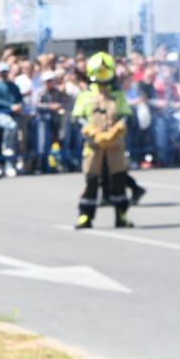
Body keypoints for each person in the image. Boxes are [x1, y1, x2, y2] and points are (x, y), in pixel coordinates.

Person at [73, 50, 134, 229]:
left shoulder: (118, 95)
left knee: (118, 179)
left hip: (115, 144)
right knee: (91, 180)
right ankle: (85, 215)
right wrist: (92, 131)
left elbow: (126, 115)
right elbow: (78, 117)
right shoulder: (85, 95)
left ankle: (121, 214)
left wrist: (117, 129)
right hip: (93, 145)